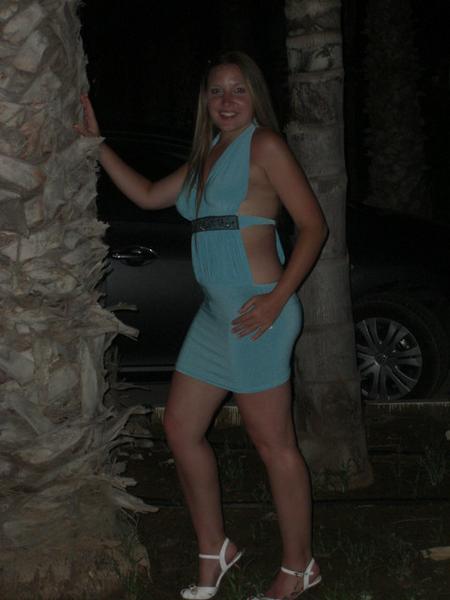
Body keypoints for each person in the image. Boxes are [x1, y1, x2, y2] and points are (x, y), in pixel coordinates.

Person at [76, 51, 327, 600]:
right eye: (217, 91)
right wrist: (98, 144)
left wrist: (276, 299)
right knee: (180, 428)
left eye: (238, 89)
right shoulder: (208, 155)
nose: (227, 100)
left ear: (254, 96)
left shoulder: (265, 146)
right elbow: (146, 195)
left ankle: (299, 567)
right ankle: (216, 550)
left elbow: (313, 226)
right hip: (216, 316)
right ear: (205, 101)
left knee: (274, 445)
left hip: (258, 315)